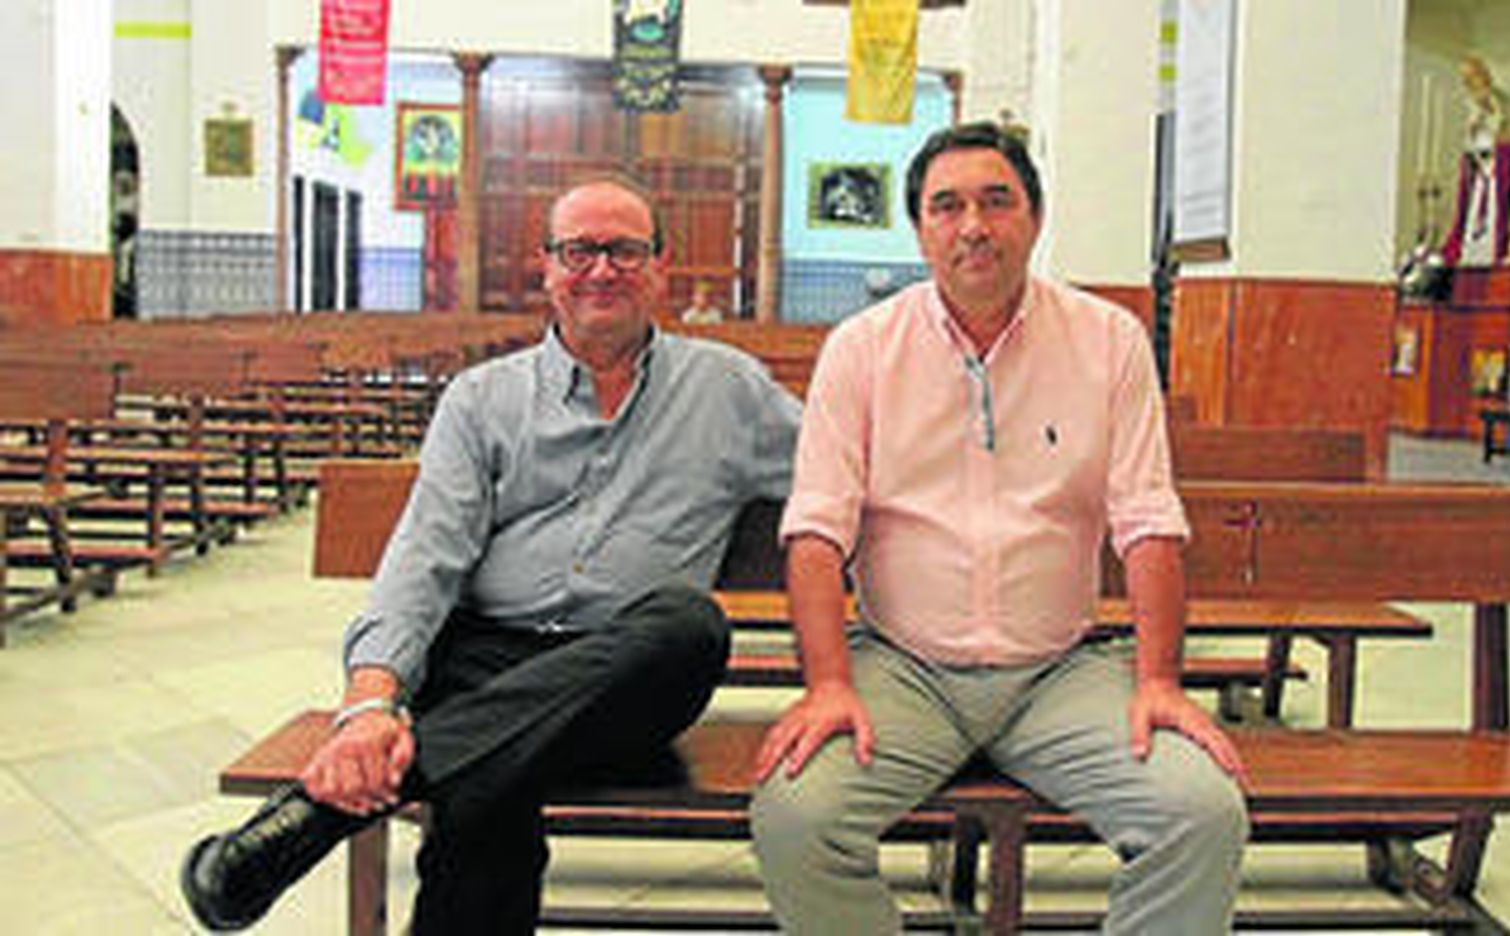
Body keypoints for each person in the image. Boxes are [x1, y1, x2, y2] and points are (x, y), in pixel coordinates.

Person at [180, 176, 801, 934]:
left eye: (625, 251)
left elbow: (843, 480)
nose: (601, 269)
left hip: (630, 678)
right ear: (546, 267)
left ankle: (312, 816)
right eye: (579, 251)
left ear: (660, 269)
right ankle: (416, 766)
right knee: (492, 787)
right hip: (484, 662)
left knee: (687, 624)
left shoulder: (730, 390)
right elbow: (422, 562)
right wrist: (370, 707)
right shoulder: (481, 400)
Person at [749, 122, 1248, 935]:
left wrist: (1158, 681)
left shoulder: (1108, 341)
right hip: (903, 670)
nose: (972, 225)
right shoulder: (863, 350)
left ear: (1035, 218)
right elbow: (815, 532)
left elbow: (1149, 522)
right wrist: (829, 684)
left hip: (1060, 673)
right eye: (946, 206)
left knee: (1201, 814)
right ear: (919, 229)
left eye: (995, 201)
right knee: (796, 818)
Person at [1441, 55, 1510, 267]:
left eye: (1471, 76)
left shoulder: (1501, 100)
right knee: (1472, 211)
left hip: (1493, 166)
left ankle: (1494, 249)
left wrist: (1488, 123)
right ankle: (1470, 250)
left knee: (1492, 211)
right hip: (1478, 166)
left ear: (1482, 74)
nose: (1468, 82)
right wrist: (1472, 132)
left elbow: (1505, 131)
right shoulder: (1471, 103)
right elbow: (1470, 136)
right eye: (1465, 78)